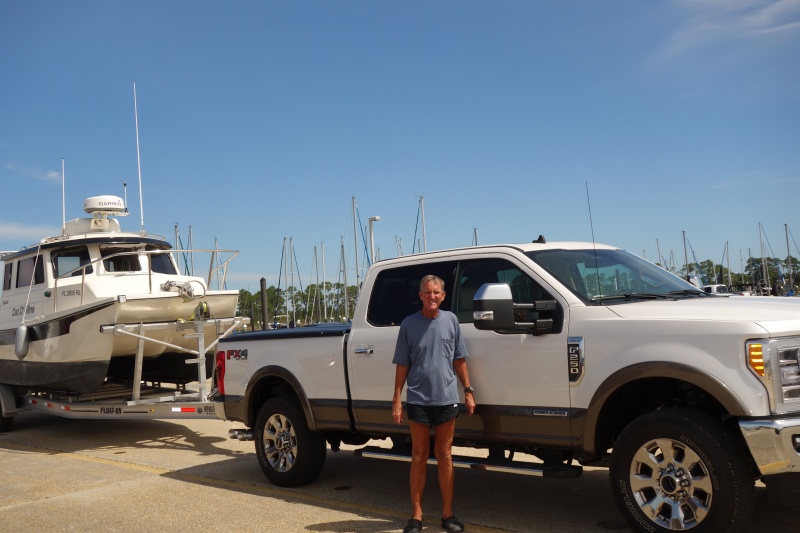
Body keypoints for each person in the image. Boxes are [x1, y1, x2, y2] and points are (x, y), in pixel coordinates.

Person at [392, 275, 477, 533]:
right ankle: (416, 516)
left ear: (443, 295)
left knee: (445, 455)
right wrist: (397, 398)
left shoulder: (451, 321)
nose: (432, 296)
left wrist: (468, 391)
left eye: (436, 292)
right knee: (418, 455)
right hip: (418, 398)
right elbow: (402, 364)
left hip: (447, 399)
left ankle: (447, 515)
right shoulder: (408, 325)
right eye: (427, 292)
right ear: (420, 295)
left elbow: (459, 359)